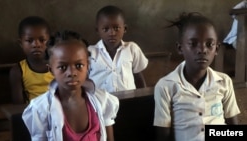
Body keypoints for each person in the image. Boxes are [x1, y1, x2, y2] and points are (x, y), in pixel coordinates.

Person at [153, 12, 240, 141]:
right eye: (193, 44)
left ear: (216, 49)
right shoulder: (166, 85)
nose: (202, 50)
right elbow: (163, 134)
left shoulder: (224, 82)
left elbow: (233, 126)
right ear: (180, 48)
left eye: (209, 44)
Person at [22, 30, 119, 141]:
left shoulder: (102, 100)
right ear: (51, 70)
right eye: (63, 67)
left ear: (87, 66)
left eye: (79, 65)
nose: (72, 72)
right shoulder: (41, 109)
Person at [88, 5, 148, 93]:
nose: (112, 33)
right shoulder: (90, 52)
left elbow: (138, 76)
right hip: (100, 103)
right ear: (97, 30)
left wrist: (143, 98)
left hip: (128, 101)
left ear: (125, 29)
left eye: (116, 28)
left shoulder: (132, 49)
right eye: (105, 29)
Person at [9, 16, 54, 104]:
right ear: (21, 43)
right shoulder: (18, 71)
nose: (36, 45)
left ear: (49, 41)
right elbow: (18, 106)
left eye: (42, 40)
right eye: (29, 40)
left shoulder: (58, 65)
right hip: (34, 114)